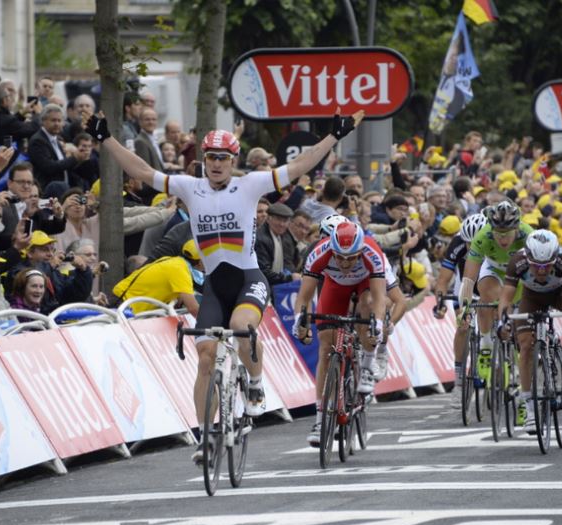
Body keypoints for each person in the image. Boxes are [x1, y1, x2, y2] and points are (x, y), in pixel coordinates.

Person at [84, 107, 363, 463]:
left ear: (233, 160)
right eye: (211, 158)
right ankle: (205, 437)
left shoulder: (250, 185)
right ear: (203, 160)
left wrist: (333, 136)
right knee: (205, 357)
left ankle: (256, 383)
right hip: (216, 285)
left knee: (240, 326)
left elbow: (298, 166)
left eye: (223, 158)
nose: (216, 164)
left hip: (248, 279)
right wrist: (106, 139)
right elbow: (141, 170)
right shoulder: (189, 187)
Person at [292, 221, 387, 446]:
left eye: (351, 258)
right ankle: (320, 420)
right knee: (326, 347)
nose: (344, 263)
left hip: (364, 285)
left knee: (367, 307)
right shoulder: (319, 253)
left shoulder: (372, 253)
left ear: (360, 251)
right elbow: (304, 297)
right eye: (340, 258)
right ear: (332, 249)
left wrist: (378, 324)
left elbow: (379, 298)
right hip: (335, 287)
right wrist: (299, 320)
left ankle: (367, 365)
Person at [497, 230, 562, 433]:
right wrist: (503, 322)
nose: (541, 270)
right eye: (536, 265)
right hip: (532, 298)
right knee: (526, 346)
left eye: (547, 265)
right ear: (528, 258)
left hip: (560, 294)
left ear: (555, 258)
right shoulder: (517, 261)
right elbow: (506, 298)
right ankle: (530, 410)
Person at [459, 200, 533, 384]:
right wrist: (464, 309)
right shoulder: (482, 237)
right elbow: (468, 280)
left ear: (517, 228)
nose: (503, 239)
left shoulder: (528, 235)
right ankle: (485, 345)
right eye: (498, 234)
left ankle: (516, 352)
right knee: (486, 296)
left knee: (518, 309)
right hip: (493, 269)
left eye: (507, 234)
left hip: (520, 271)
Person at [433, 212, 486, 408]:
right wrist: (440, 302)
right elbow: (443, 279)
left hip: (489, 284)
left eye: (475, 243)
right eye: (468, 243)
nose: (471, 247)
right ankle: (459, 381)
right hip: (465, 286)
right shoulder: (457, 243)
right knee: (463, 326)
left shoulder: (495, 241)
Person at [112, 239, 203, 316]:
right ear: (200, 261)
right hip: (123, 305)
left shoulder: (175, 262)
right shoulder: (180, 270)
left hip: (123, 300)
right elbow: (193, 309)